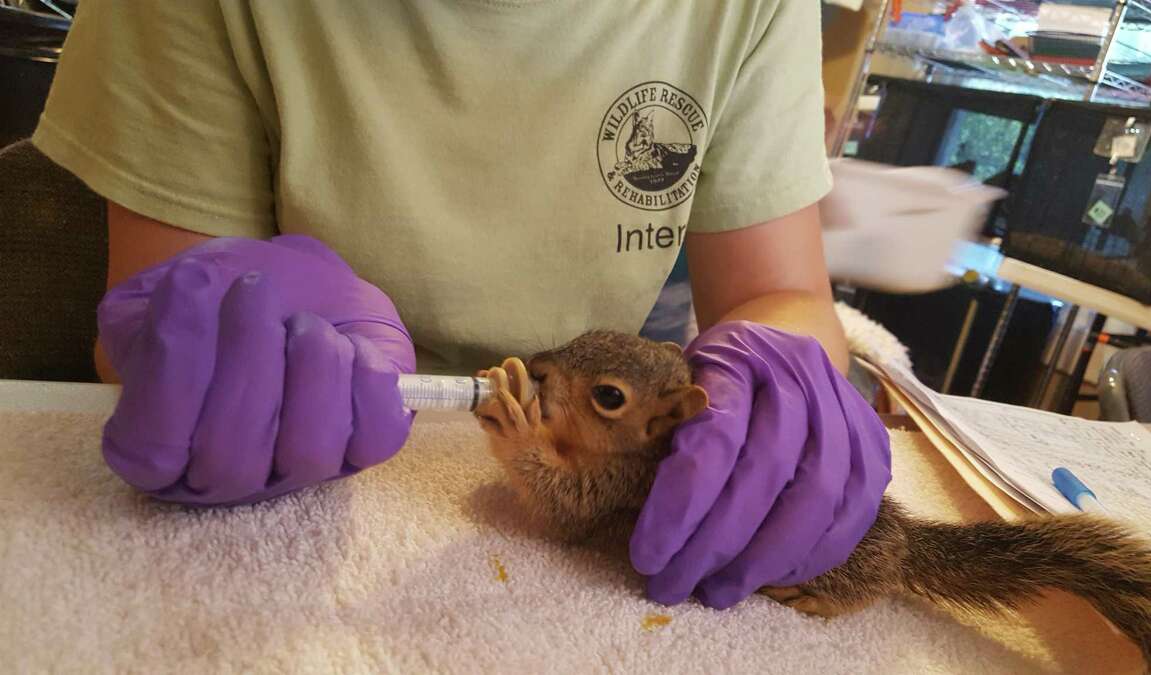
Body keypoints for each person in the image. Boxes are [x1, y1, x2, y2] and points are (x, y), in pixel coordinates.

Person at [32, 0, 891, 611]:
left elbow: (776, 293)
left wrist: (781, 362)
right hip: (333, 479)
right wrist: (215, 337)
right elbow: (159, 314)